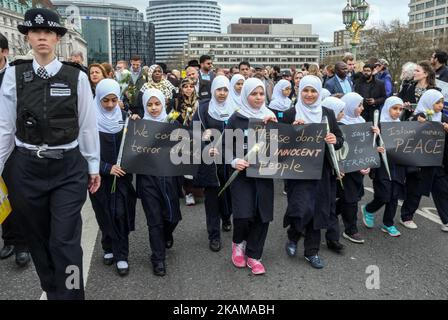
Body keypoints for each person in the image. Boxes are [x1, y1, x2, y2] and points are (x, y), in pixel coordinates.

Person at [0, 8, 101, 300]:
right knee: (38, 240)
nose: (42, 37)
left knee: (65, 242)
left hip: (67, 168)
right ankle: (52, 289)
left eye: (48, 33)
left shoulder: (76, 77)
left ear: (57, 38)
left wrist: (93, 166)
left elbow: (87, 125)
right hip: (26, 169)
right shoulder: (13, 75)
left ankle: (71, 294)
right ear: (28, 37)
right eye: (35, 32)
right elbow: (6, 127)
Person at [282, 75, 344, 269]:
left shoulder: (327, 114)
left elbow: (340, 139)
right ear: (300, 91)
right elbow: (279, 144)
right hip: (298, 170)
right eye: (306, 90)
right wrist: (292, 131)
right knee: (301, 209)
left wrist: (335, 139)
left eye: (313, 91)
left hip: (322, 171)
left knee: (318, 210)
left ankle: (312, 252)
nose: (309, 95)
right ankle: (293, 235)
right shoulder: (291, 113)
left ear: (319, 92)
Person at [224, 78, 277, 275]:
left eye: (261, 93)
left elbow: (285, 143)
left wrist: (278, 126)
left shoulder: (271, 116)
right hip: (242, 175)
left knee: (262, 215)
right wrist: (233, 161)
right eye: (253, 94)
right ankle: (238, 243)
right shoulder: (236, 118)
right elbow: (225, 146)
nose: (258, 97)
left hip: (264, 173)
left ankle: (254, 255)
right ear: (246, 95)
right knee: (243, 214)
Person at [133, 89, 183, 276]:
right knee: (154, 220)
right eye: (149, 104)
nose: (153, 108)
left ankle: (166, 234)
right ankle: (158, 258)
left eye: (157, 104)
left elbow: (185, 148)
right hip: (147, 179)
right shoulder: (139, 125)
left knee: (173, 216)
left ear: (163, 104)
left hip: (170, 178)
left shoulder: (174, 123)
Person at [90, 79, 137, 276]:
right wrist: (106, 168)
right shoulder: (88, 120)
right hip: (98, 178)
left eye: (114, 100)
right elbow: (84, 153)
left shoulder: (126, 117)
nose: (110, 105)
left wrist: (138, 125)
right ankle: (108, 246)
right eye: (105, 100)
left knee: (120, 214)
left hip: (123, 178)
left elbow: (137, 145)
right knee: (104, 215)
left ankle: (121, 255)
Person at [193, 76, 235, 252]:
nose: (222, 93)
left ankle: (226, 217)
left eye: (225, 89)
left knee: (229, 197)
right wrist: (204, 146)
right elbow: (194, 133)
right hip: (211, 162)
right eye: (219, 89)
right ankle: (214, 235)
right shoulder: (203, 109)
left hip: (232, 161)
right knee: (212, 200)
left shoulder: (236, 108)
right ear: (213, 90)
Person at [0, 32, 31, 266]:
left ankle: (22, 244)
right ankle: (9, 238)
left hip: (13, 144)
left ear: (4, 52)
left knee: (15, 194)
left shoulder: (16, 75)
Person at [400, 90, 448, 232]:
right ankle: (406, 217)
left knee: (443, 190)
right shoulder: (419, 115)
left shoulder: (444, 118)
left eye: (442, 102)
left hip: (438, 161)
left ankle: (446, 220)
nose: (441, 105)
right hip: (421, 161)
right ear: (428, 102)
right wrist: (418, 123)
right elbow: (407, 132)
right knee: (416, 190)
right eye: (437, 102)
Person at [333, 93, 378, 244]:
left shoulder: (362, 121)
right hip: (345, 170)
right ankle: (351, 229)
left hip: (357, 169)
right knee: (350, 199)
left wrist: (366, 164)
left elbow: (365, 147)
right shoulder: (340, 125)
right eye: (359, 105)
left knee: (352, 197)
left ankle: (327, 214)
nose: (362, 108)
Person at [362, 97, 408, 237]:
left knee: (394, 197)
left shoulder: (402, 127)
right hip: (382, 166)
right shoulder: (379, 126)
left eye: (400, 109)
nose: (398, 112)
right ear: (387, 108)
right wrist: (377, 148)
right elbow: (368, 146)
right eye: (395, 108)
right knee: (383, 195)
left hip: (397, 166)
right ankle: (369, 209)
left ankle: (388, 223)